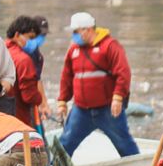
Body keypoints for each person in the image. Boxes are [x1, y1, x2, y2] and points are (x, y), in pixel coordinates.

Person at [57, 11, 137, 157]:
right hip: (81, 110)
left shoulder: (110, 46)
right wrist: (62, 100)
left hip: (107, 109)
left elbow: (123, 72)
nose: (73, 35)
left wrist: (118, 97)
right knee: (65, 143)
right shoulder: (74, 50)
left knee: (124, 144)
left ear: (87, 30)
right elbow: (66, 76)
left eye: (76, 32)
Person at [4, 15, 49, 126]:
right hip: (19, 116)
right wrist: (40, 100)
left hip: (0, 113)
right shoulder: (23, 59)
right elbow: (29, 96)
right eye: (31, 37)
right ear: (17, 35)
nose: (33, 41)